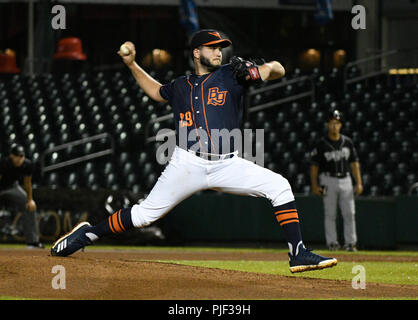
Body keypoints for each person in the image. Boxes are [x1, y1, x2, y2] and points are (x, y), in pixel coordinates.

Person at [51, 29, 337, 273]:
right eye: (212, 48)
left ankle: (297, 253)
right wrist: (132, 64)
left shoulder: (231, 75)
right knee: (143, 216)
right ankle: (86, 234)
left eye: (221, 48)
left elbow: (278, 69)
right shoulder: (180, 85)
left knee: (280, 186)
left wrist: (255, 69)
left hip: (228, 164)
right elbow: (155, 91)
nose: (219, 52)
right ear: (197, 52)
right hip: (187, 163)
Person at [310, 110, 363, 252]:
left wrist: (359, 182)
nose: (334, 126)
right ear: (328, 125)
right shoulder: (321, 144)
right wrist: (315, 185)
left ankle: (351, 243)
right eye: (332, 123)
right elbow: (314, 167)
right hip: (328, 179)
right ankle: (332, 243)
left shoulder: (347, 142)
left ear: (341, 125)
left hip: (346, 179)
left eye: (337, 123)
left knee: (349, 213)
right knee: (330, 214)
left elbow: (354, 163)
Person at [0, 144, 43, 248]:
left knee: (30, 206)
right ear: (11, 156)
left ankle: (32, 242)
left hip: (12, 187)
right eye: (17, 156)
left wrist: (30, 200)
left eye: (21, 156)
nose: (19, 159)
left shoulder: (27, 164)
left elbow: (28, 183)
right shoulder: (3, 163)